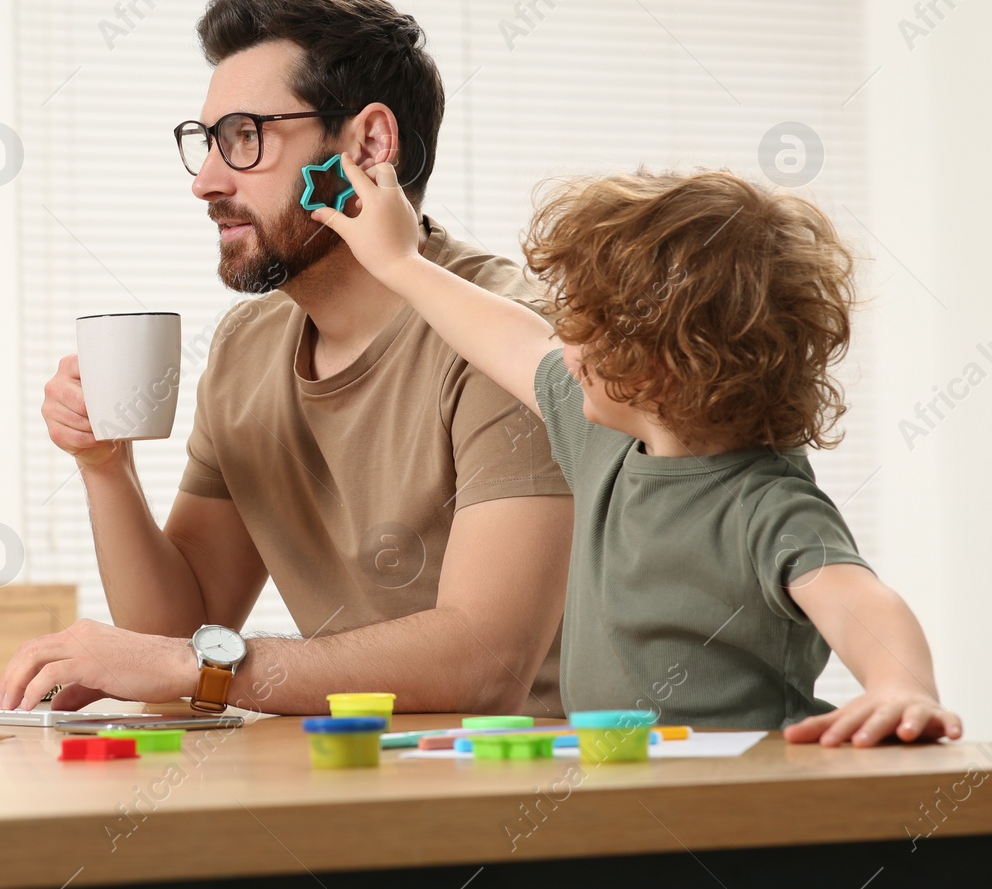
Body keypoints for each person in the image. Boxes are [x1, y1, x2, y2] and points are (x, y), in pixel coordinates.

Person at [0, 0, 575, 715]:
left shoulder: (511, 343)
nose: (207, 182)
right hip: (357, 777)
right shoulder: (247, 348)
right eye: (206, 143)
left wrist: (189, 663)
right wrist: (106, 469)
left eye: (245, 137)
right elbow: (178, 638)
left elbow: (485, 663)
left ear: (368, 143)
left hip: (543, 793)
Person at [311, 158, 961, 743]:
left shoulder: (768, 503)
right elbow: (509, 339)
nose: (564, 342)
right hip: (619, 778)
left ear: (661, 368)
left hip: (745, 800)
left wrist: (900, 686)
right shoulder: (607, 437)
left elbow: (861, 601)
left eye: (586, 329)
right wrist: (400, 263)